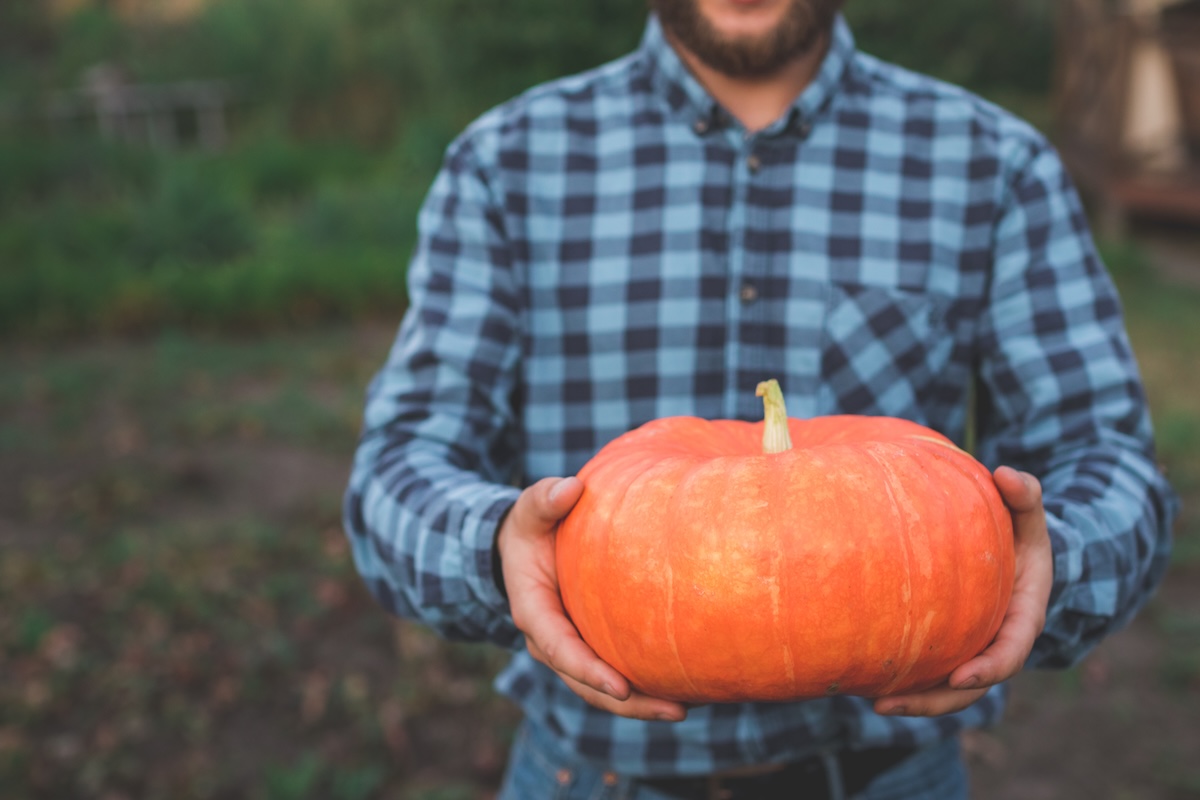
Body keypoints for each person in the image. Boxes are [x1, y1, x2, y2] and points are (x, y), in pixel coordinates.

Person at [343, 0, 1179, 797]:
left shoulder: (989, 162)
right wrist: (496, 552)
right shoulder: (508, 160)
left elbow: (1107, 458)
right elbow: (400, 462)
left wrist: (1052, 560)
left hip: (889, 783)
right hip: (590, 779)